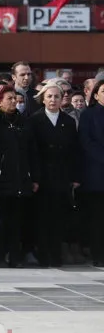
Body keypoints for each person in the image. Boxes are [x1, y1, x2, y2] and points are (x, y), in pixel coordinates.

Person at [0, 86, 39, 268]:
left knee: (17, 221)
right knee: (1, 222)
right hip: (0, 180)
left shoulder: (24, 122)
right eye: (10, 99)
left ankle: (15, 256)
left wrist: (34, 177)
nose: (14, 102)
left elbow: (32, 152)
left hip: (21, 179)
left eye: (15, 99)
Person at [29, 82, 81, 267]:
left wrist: (75, 177)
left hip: (61, 175)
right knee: (43, 217)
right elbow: (32, 151)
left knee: (59, 216)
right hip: (42, 176)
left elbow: (75, 150)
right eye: (49, 96)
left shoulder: (68, 121)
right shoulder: (35, 120)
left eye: (56, 96)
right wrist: (34, 177)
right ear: (43, 99)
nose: (53, 99)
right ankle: (43, 255)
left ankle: (56, 254)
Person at [78, 80, 104, 267]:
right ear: (96, 95)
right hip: (97, 173)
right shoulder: (89, 115)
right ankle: (98, 254)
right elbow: (86, 142)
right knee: (97, 218)